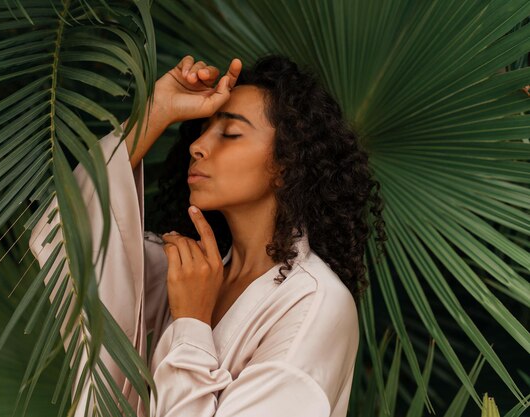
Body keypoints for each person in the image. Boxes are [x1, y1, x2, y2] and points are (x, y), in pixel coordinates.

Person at [29, 54, 386, 417]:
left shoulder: (315, 306)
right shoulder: (181, 271)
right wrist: (157, 110)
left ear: (286, 165)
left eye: (230, 133)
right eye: (203, 130)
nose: (196, 146)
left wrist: (191, 323)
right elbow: (66, 233)